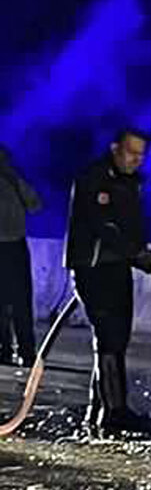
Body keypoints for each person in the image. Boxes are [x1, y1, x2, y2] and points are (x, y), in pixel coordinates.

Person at [66, 126, 151, 437]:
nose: (136, 160)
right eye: (131, 153)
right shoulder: (94, 178)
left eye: (141, 155)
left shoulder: (131, 184)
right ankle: (114, 412)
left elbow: (129, 233)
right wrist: (137, 253)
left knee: (117, 340)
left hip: (116, 268)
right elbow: (104, 227)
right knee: (109, 337)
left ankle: (99, 408)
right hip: (93, 268)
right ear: (115, 148)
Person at [0, 143, 42, 368]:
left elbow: (35, 204)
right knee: (12, 304)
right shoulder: (14, 181)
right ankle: (7, 350)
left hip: (14, 246)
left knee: (20, 303)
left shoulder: (15, 181)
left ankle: (25, 351)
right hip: (11, 246)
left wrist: (14, 178)